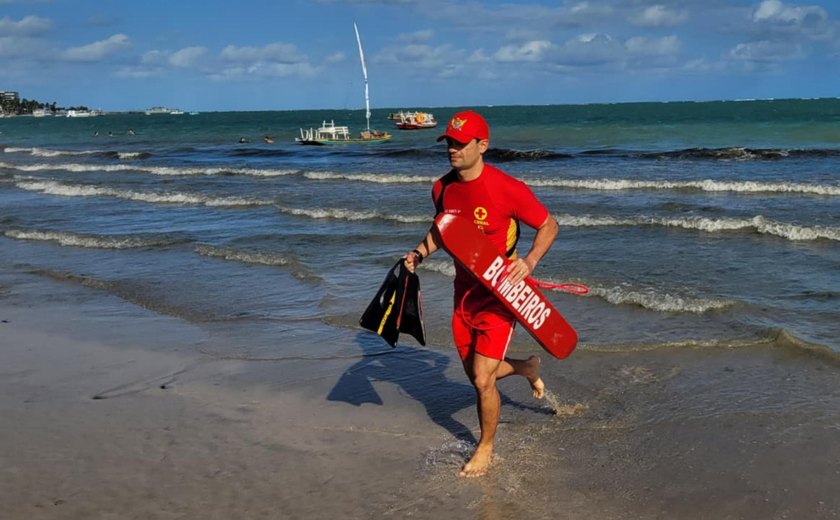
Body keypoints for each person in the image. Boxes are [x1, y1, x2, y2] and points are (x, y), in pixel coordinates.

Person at [403, 110, 559, 478]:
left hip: (501, 295)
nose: (452, 149)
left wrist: (531, 261)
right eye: (449, 143)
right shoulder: (442, 188)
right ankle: (526, 367)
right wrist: (419, 253)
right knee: (477, 373)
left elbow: (549, 224)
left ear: (482, 145)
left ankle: (485, 448)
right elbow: (443, 230)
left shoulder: (507, 188)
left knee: (482, 379)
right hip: (464, 294)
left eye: (460, 143)